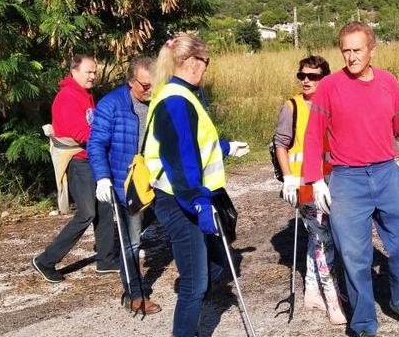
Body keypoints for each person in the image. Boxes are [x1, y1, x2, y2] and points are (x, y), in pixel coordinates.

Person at [302, 22, 399, 337]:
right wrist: (315, 180)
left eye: (357, 50)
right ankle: (363, 323)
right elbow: (311, 136)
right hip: (347, 181)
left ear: (371, 48)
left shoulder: (389, 82)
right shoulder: (329, 86)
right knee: (355, 257)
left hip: (387, 174)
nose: (351, 57)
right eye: (345, 51)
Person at [144, 34, 250, 337]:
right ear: (191, 61)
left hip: (194, 195)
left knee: (217, 262)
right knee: (193, 284)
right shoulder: (175, 100)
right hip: (181, 200)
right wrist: (198, 201)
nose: (207, 67)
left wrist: (226, 147)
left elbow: (193, 142)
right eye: (206, 61)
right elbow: (181, 159)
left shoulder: (185, 95)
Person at [33, 55, 119, 283]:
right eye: (88, 72)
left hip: (91, 158)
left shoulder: (84, 94)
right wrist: (111, 143)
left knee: (104, 208)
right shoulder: (67, 97)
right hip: (78, 161)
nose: (92, 76)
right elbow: (84, 133)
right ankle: (46, 260)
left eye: (94, 72)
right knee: (87, 213)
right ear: (74, 71)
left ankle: (106, 260)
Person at [273, 55, 346, 325]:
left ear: (324, 79)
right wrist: (288, 178)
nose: (305, 80)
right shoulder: (292, 107)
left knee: (319, 238)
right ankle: (332, 296)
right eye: (302, 75)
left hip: (332, 181)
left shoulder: (333, 104)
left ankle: (311, 291)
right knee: (323, 238)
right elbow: (280, 143)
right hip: (304, 185)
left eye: (312, 76)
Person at [87, 55, 161, 315]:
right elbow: (95, 143)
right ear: (131, 82)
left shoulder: (160, 101)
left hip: (158, 180)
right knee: (131, 241)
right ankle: (135, 294)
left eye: (154, 84)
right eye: (144, 85)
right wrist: (102, 177)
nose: (150, 90)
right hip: (126, 183)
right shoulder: (111, 105)